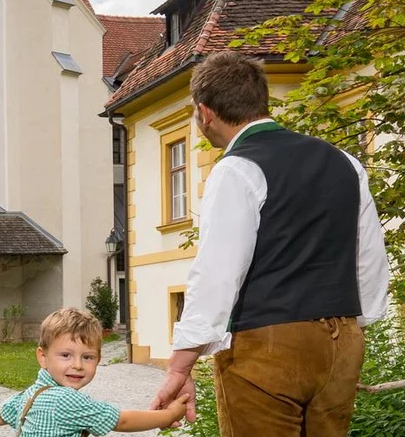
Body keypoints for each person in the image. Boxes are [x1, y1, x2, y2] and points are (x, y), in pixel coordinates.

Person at [148, 51, 392, 436]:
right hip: (342, 340)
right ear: (261, 101)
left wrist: (180, 365)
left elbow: (217, 275)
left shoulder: (236, 168)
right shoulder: (346, 162)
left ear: (204, 112)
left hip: (267, 345)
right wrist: (349, 332)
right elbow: (371, 263)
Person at [0, 308, 190, 436]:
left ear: (98, 359)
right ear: (43, 357)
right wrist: (168, 415)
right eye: (66, 355)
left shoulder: (33, 393)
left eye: (87, 357)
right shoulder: (65, 400)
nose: (78, 365)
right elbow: (122, 421)